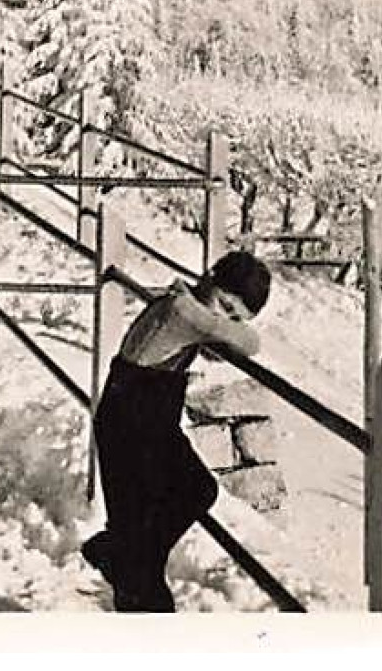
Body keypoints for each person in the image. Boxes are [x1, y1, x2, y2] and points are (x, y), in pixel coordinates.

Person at [82, 251, 272, 612]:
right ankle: (127, 568)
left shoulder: (188, 308)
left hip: (149, 422)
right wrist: (231, 328)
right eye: (224, 304)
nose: (222, 316)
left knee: (197, 490)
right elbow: (250, 344)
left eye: (234, 315)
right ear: (208, 277)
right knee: (141, 551)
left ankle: (119, 554)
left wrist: (219, 323)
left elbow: (217, 341)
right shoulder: (182, 311)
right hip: (130, 426)